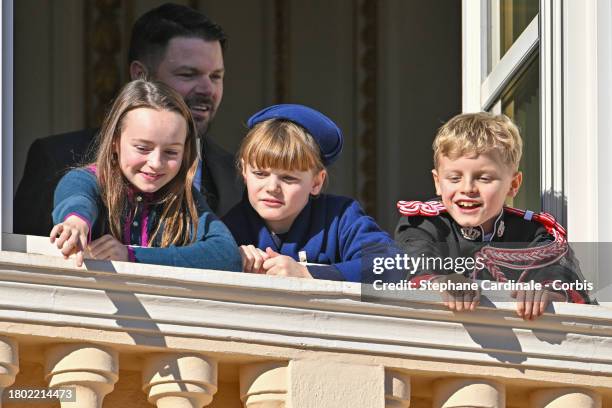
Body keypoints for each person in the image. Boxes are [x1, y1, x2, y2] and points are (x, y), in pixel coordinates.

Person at [14, 2, 242, 237]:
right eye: (188, 74)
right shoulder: (55, 158)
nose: (207, 88)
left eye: (216, 76)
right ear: (140, 75)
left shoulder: (239, 174)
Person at [395, 112, 589, 319]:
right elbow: (413, 264)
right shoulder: (424, 223)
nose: (467, 188)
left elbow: (566, 280)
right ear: (437, 182)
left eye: (484, 178)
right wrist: (441, 280)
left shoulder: (532, 233)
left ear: (513, 185)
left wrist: (548, 293)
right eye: (454, 178)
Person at [50, 79, 241, 271]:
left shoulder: (185, 198)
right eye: (142, 148)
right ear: (115, 142)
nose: (156, 163)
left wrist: (132, 255)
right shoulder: (92, 180)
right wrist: (76, 222)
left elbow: (227, 255)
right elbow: (76, 192)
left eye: (171, 152)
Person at [222, 104, 401, 282]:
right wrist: (230, 260)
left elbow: (392, 265)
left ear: (317, 182)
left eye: (288, 178)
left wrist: (307, 273)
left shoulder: (340, 218)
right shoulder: (226, 229)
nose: (272, 187)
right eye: (260, 174)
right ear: (244, 171)